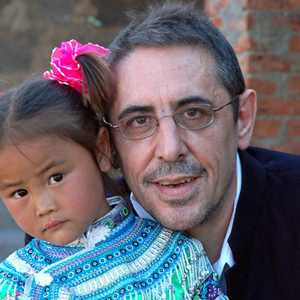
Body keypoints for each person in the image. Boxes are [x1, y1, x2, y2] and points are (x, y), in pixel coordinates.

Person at [0, 40, 227, 300]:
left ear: (102, 151)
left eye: (56, 177)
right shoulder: (15, 284)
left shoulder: (175, 253)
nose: (43, 207)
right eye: (19, 192)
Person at [104, 1, 300, 299]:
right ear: (110, 144)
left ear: (243, 119)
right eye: (139, 121)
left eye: (194, 113)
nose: (170, 150)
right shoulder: (71, 235)